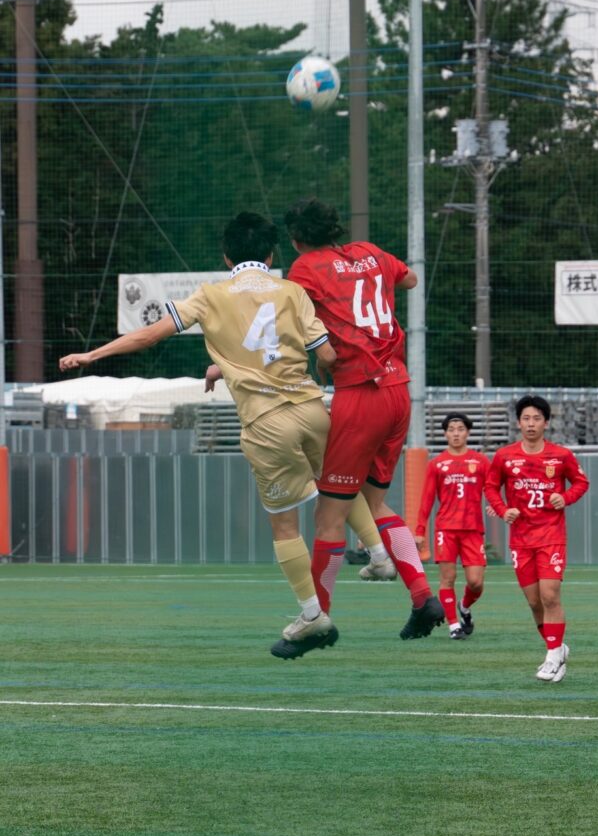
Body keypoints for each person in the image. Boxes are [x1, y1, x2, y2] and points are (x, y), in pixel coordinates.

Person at [59, 211, 380, 661]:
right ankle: (380, 556)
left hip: (267, 423)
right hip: (312, 409)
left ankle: (312, 615)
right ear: (271, 256)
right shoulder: (292, 291)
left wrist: (92, 355)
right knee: (338, 487)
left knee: (285, 524)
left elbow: (149, 336)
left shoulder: (211, 295)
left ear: (227, 256)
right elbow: (325, 353)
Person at [284, 197, 444, 640]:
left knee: (329, 516)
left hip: (361, 392)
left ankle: (317, 618)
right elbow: (410, 279)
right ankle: (423, 597)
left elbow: (288, 322)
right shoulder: (370, 252)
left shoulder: (304, 269)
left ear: (296, 240)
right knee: (374, 504)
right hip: (398, 390)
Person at [484, 395, 590, 683]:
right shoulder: (504, 456)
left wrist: (564, 497)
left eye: (536, 419)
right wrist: (503, 510)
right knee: (534, 602)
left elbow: (581, 482)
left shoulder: (561, 455)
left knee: (550, 595)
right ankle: (557, 648)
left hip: (551, 535)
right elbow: (490, 487)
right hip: (521, 539)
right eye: (526, 419)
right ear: (518, 423)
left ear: (546, 423)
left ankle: (552, 657)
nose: (531, 424)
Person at [415, 412, 489, 640]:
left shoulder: (481, 461)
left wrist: (498, 506)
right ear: (445, 434)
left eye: (460, 429)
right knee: (447, 578)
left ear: (468, 433)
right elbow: (427, 500)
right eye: (451, 430)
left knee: (476, 582)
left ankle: (464, 607)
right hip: (446, 529)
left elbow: (493, 488)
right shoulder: (436, 464)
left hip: (473, 529)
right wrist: (419, 531)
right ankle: (454, 625)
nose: (456, 433)